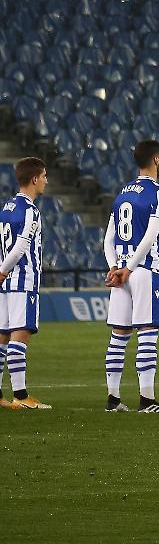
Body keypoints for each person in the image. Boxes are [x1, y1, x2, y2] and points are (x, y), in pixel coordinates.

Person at [103, 140, 159, 413]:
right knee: (147, 332)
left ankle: (113, 398)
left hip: (120, 272)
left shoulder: (122, 194)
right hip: (143, 270)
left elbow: (108, 238)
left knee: (118, 335)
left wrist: (114, 267)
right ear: (157, 159)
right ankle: (147, 399)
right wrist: (131, 267)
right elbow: (150, 236)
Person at [0, 157, 50, 410]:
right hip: (22, 280)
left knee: (2, 337)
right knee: (20, 335)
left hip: (5, 285)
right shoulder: (31, 210)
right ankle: (21, 397)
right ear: (34, 179)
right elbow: (21, 246)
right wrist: (3, 270)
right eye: (43, 176)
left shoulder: (6, 208)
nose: (45, 181)